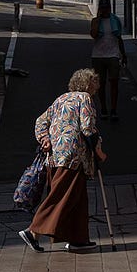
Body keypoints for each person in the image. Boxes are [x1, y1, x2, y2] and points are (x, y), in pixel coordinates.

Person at [20, 68, 107, 253]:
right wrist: (97, 147)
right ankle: (33, 231)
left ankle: (78, 238)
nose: (96, 90)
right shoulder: (85, 98)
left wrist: (45, 138)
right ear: (88, 85)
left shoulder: (61, 99)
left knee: (77, 197)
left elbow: (40, 122)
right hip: (73, 156)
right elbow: (87, 127)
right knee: (62, 196)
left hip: (55, 156)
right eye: (95, 86)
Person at [89, 0, 128, 120]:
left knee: (114, 82)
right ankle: (104, 108)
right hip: (98, 56)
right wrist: (99, 19)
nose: (105, 10)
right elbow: (94, 34)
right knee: (101, 84)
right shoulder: (95, 21)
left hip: (113, 55)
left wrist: (123, 54)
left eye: (107, 8)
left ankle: (114, 109)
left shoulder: (115, 20)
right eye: (103, 8)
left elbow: (119, 38)